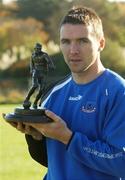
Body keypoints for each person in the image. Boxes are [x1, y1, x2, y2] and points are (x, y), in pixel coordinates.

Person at [8, 6, 125, 180]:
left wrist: (68, 138)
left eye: (83, 41)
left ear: (101, 43)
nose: (73, 50)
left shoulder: (118, 92)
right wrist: (36, 137)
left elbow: (121, 163)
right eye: (66, 41)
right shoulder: (53, 94)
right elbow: (52, 160)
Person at [23, 42, 55, 109]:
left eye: (39, 49)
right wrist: (32, 70)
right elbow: (31, 64)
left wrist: (50, 65)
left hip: (43, 73)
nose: (37, 50)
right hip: (36, 72)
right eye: (36, 48)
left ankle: (35, 102)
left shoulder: (44, 55)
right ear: (34, 49)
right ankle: (27, 97)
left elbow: (49, 62)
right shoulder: (33, 55)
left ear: (40, 49)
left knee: (42, 89)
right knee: (35, 85)